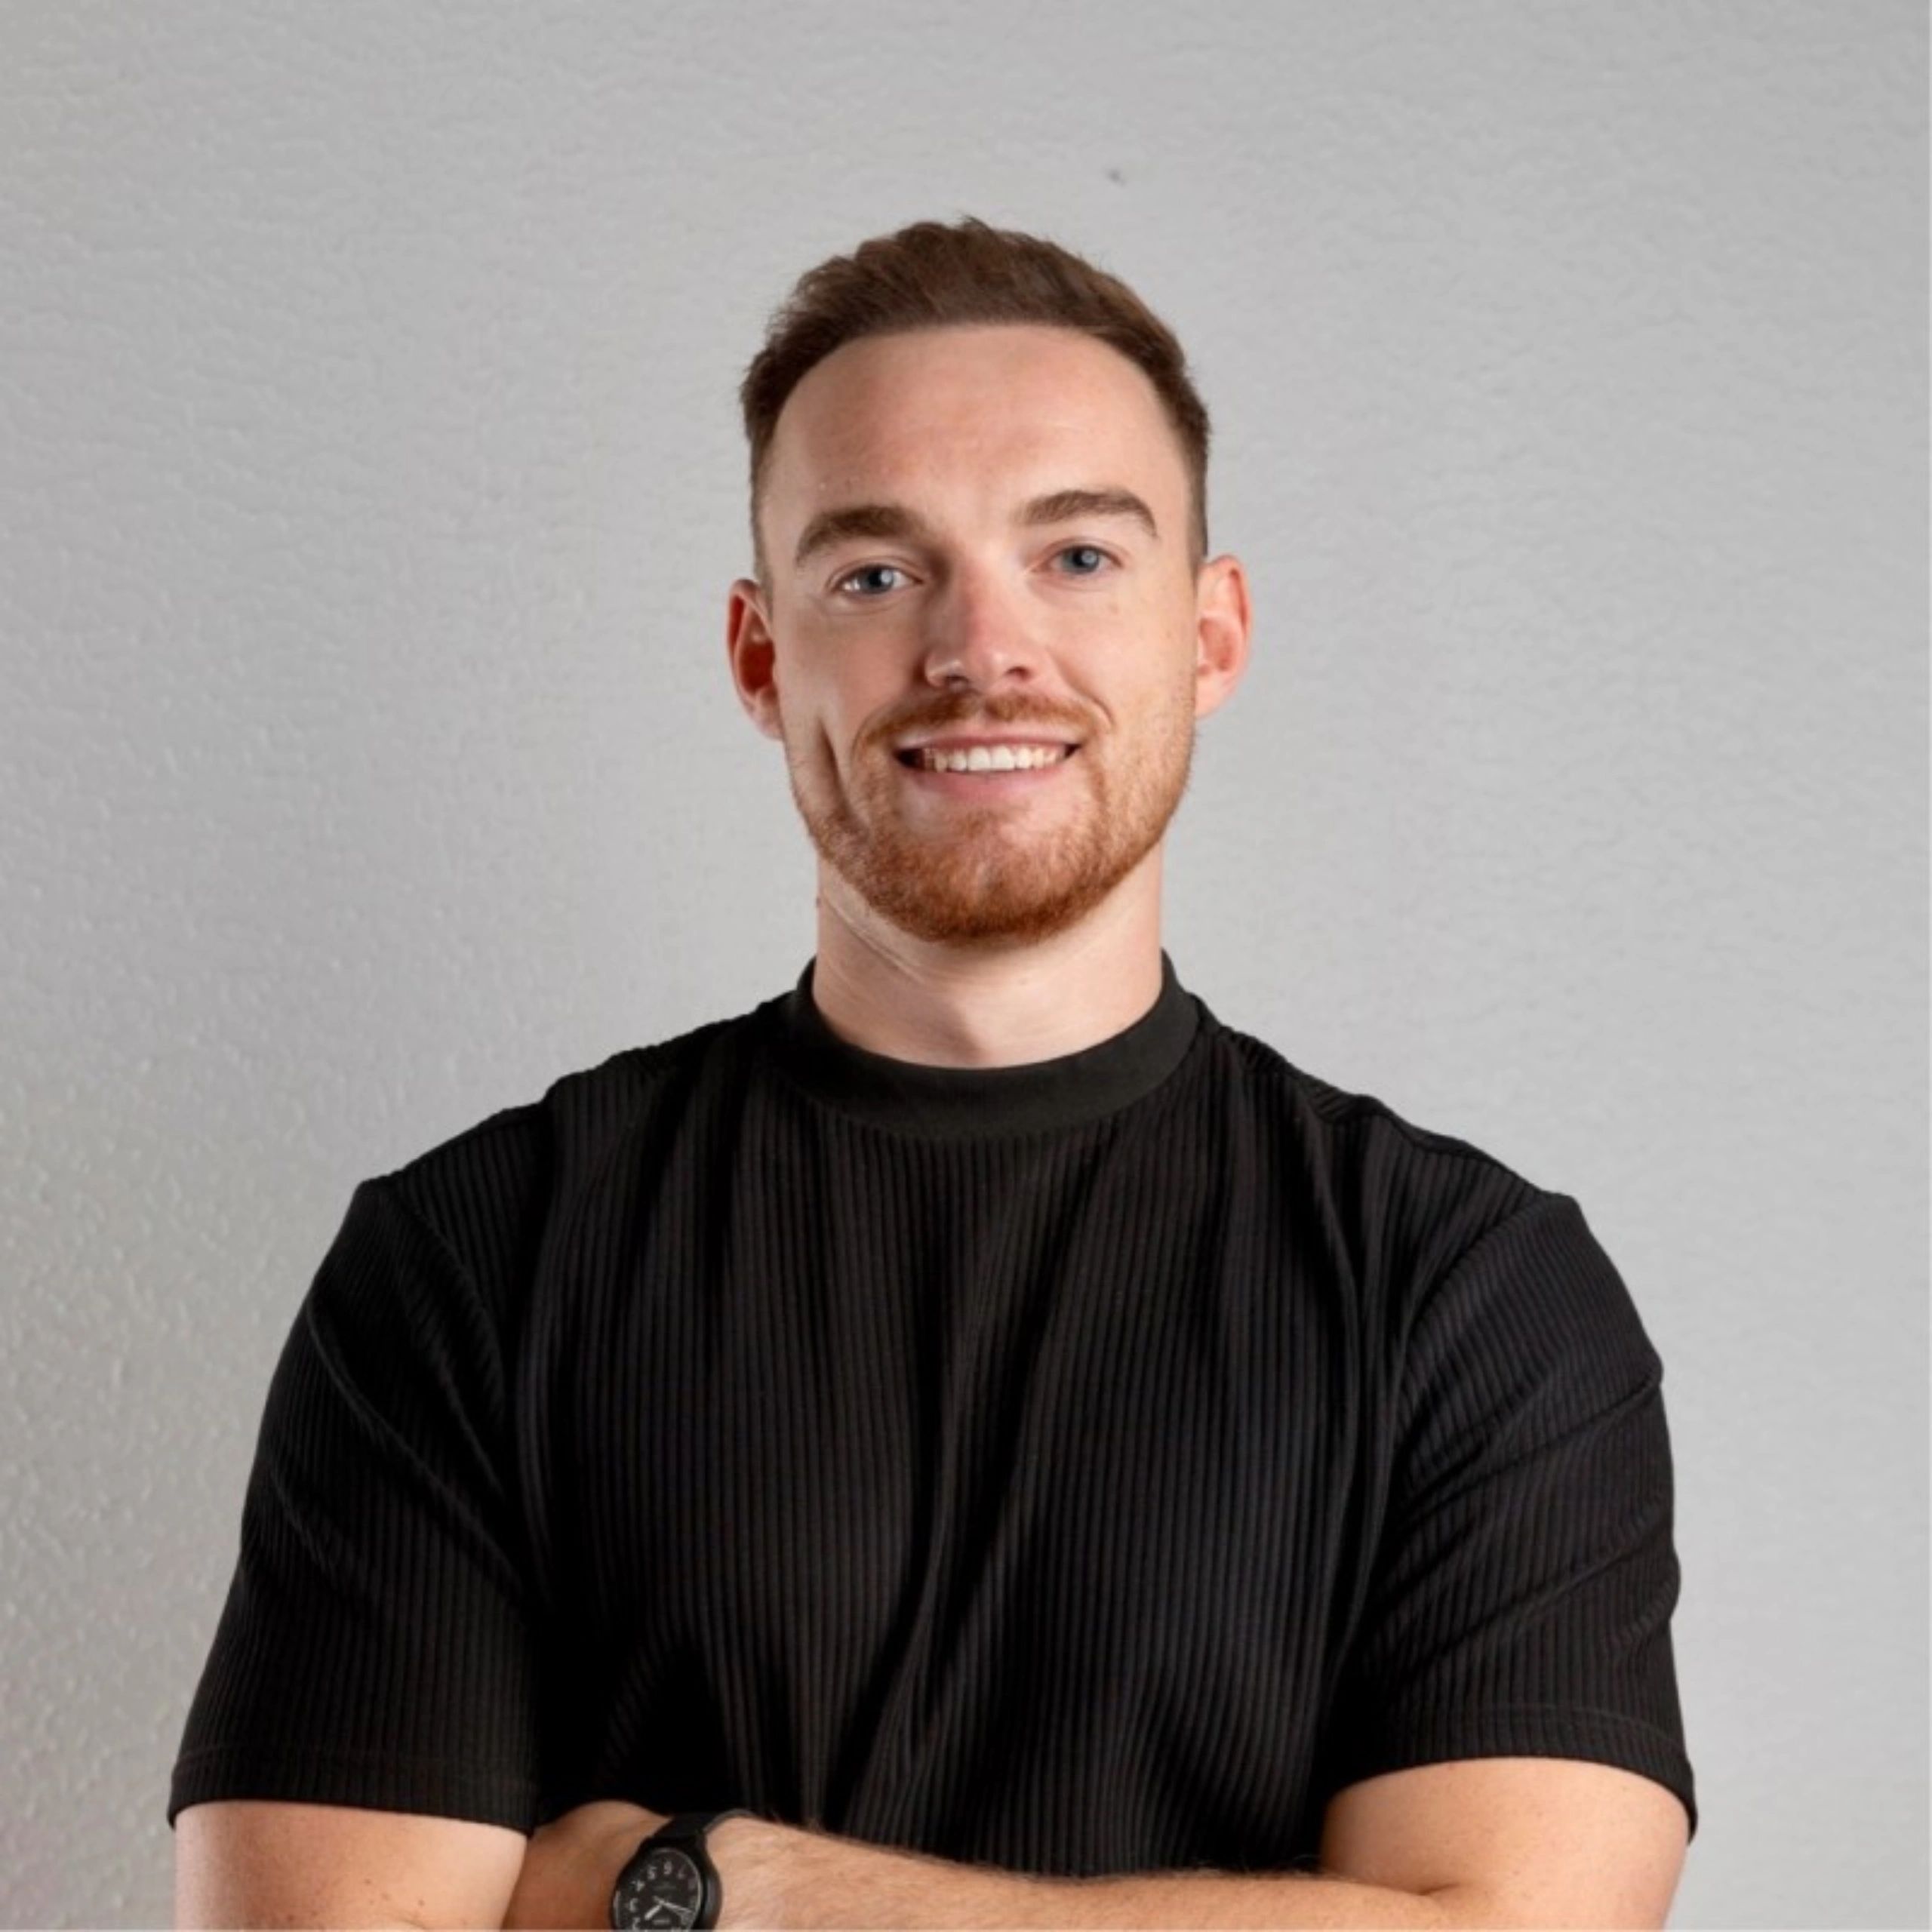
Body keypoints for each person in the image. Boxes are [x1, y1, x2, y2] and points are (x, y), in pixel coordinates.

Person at [170, 216, 1696, 1930]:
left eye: (1077, 558)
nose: (981, 647)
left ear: (1210, 637)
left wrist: (710, 1888)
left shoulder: (1471, 1290)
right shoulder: (472, 1254)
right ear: (762, 657)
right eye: (875, 573)